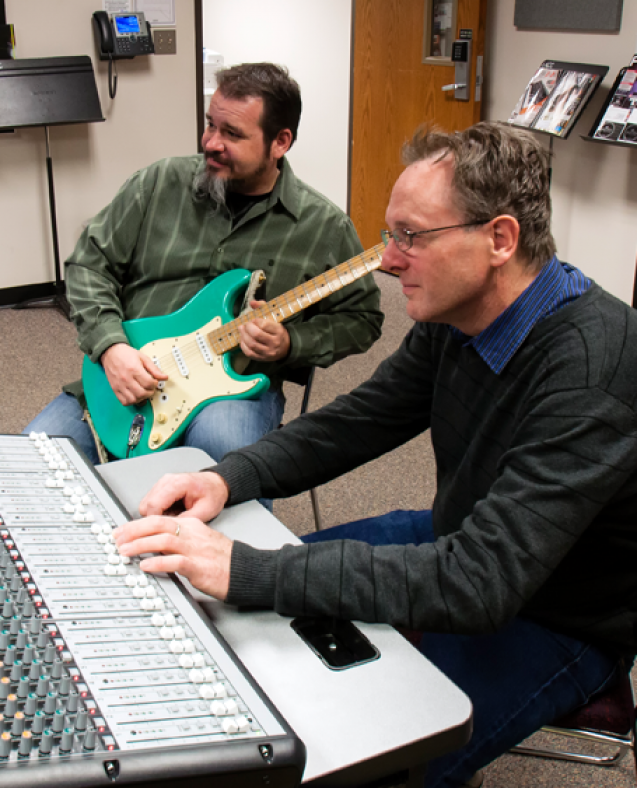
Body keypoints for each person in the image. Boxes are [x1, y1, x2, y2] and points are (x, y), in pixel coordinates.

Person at [114, 121, 637, 787]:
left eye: (411, 238)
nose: (388, 261)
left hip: (562, 613)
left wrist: (246, 570)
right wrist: (227, 478)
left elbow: (481, 584)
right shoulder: (457, 314)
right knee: (260, 624)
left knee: (359, 758)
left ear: (499, 240)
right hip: (461, 540)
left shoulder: (594, 369)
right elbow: (361, 420)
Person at [25, 63, 383, 466]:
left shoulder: (324, 227)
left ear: (280, 142)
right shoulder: (158, 183)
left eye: (232, 134)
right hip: (128, 372)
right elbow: (89, 265)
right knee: (29, 464)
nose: (211, 142)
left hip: (233, 391)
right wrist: (112, 347)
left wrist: (291, 343)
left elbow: (362, 318)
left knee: (220, 450)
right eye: (211, 125)